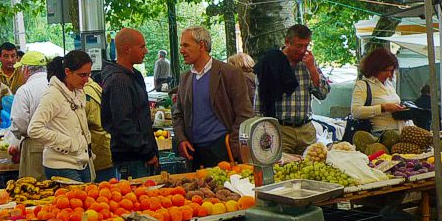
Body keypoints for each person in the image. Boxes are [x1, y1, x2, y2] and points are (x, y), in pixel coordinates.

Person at [172, 26, 256, 170]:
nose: (181, 51)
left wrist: (232, 144)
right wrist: (181, 139)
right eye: (181, 46)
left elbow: (245, 113)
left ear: (201, 45)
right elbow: (177, 114)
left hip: (222, 151)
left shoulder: (230, 73)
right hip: (194, 154)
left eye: (186, 45)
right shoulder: (185, 78)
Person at [255, 24, 330, 156]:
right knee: (281, 171)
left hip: (306, 129)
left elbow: (323, 94)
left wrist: (312, 69)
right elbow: (259, 100)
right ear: (287, 42)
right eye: (299, 46)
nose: (302, 50)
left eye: (306, 46)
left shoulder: (308, 62)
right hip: (281, 129)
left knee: (312, 169)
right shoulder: (271, 61)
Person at [28, 51, 94, 182]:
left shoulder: (77, 91)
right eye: (82, 75)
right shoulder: (53, 95)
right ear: (68, 72)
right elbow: (34, 129)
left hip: (82, 162)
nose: (87, 80)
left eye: (88, 74)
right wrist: (67, 143)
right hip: (61, 166)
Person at [102, 28, 158, 179]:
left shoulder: (134, 75)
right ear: (127, 49)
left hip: (139, 156)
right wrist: (146, 152)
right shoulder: (119, 81)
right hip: (132, 159)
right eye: (142, 46)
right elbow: (123, 123)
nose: (146, 51)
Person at [7, 52, 50, 180]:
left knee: (35, 189)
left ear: (25, 69)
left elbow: (20, 123)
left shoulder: (25, 90)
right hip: (58, 146)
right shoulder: (56, 85)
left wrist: (16, 139)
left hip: (35, 147)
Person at [350, 47, 409, 133]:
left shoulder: (389, 84)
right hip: (379, 135)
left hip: (400, 131)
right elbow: (355, 112)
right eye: (385, 70)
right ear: (375, 68)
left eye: (391, 70)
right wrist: (383, 108)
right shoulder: (362, 85)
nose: (389, 74)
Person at [84, 79, 116, 182]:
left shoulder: (85, 95)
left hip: (97, 152)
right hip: (105, 148)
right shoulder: (94, 86)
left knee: (102, 192)